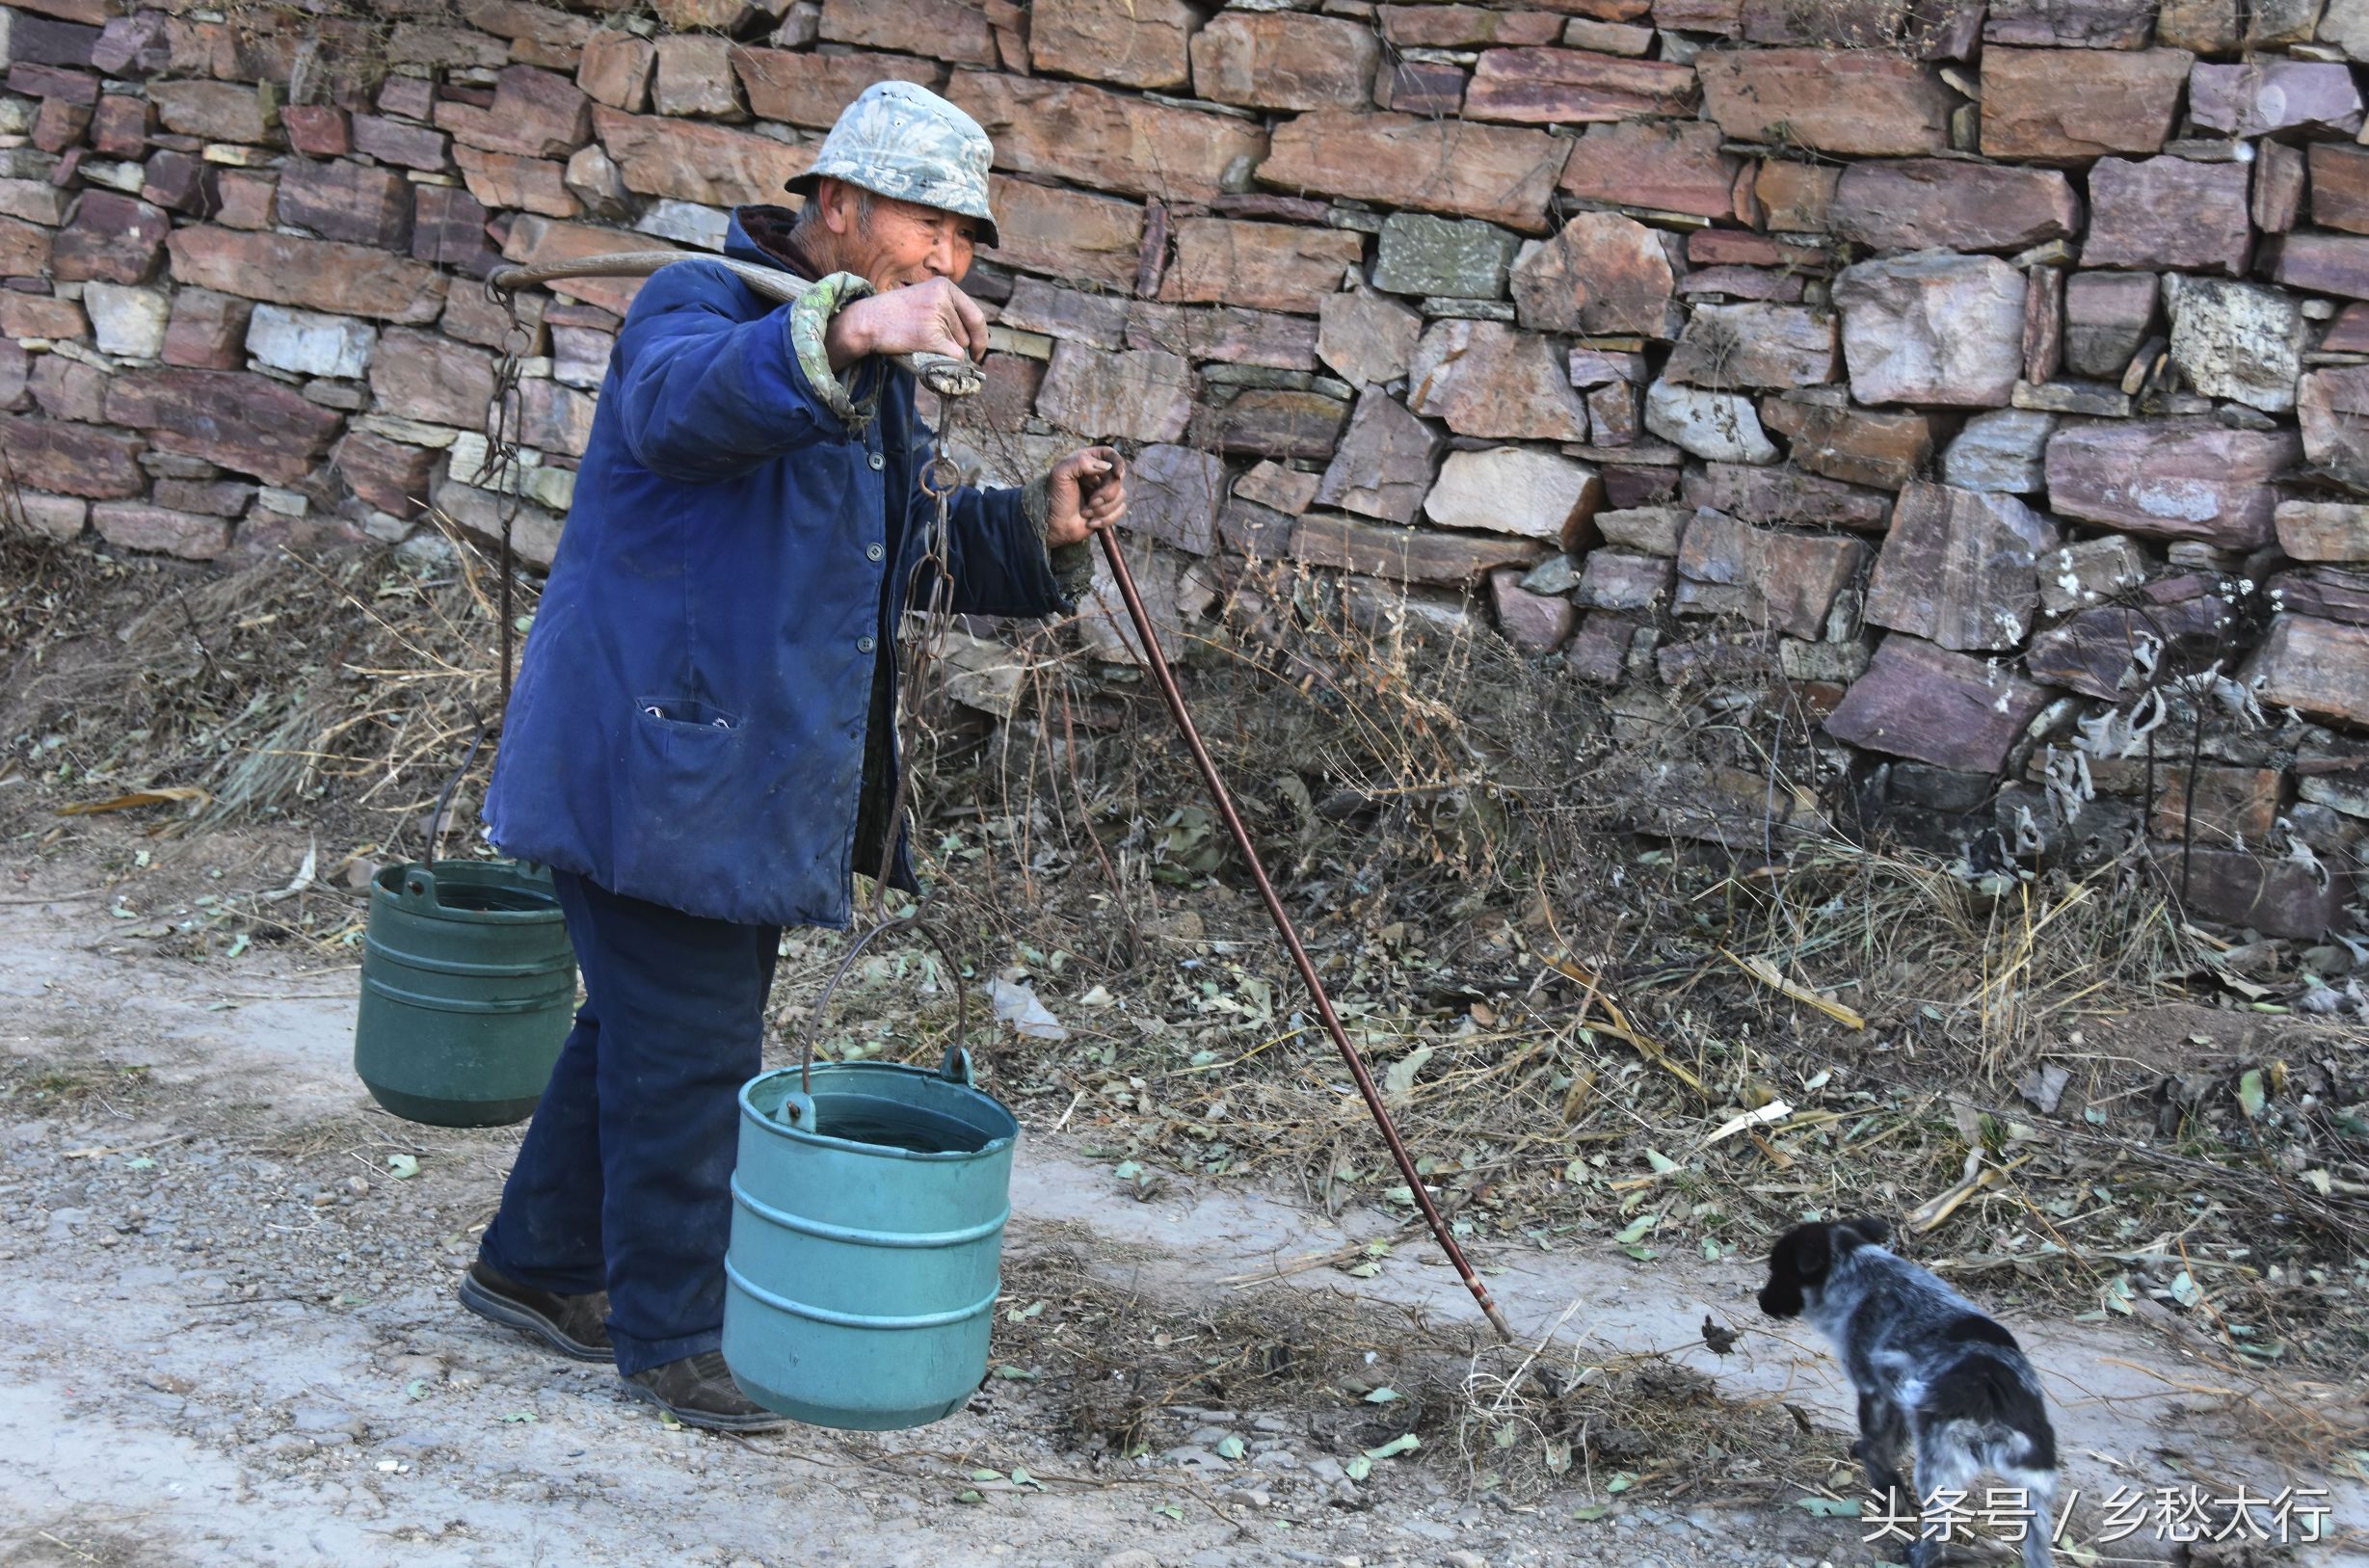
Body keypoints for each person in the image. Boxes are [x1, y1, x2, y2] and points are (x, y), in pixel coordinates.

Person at [458, 81, 1128, 1431]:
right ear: (832, 207)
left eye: (963, 240)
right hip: (658, 762)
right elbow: (679, 413)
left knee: (647, 1031)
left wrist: (1038, 530)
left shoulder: (861, 371)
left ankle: (533, 1270)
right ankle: (675, 1338)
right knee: (692, 1055)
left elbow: (899, 552)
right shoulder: (698, 311)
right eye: (922, 228)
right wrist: (847, 328)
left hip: (736, 775)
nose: (945, 262)